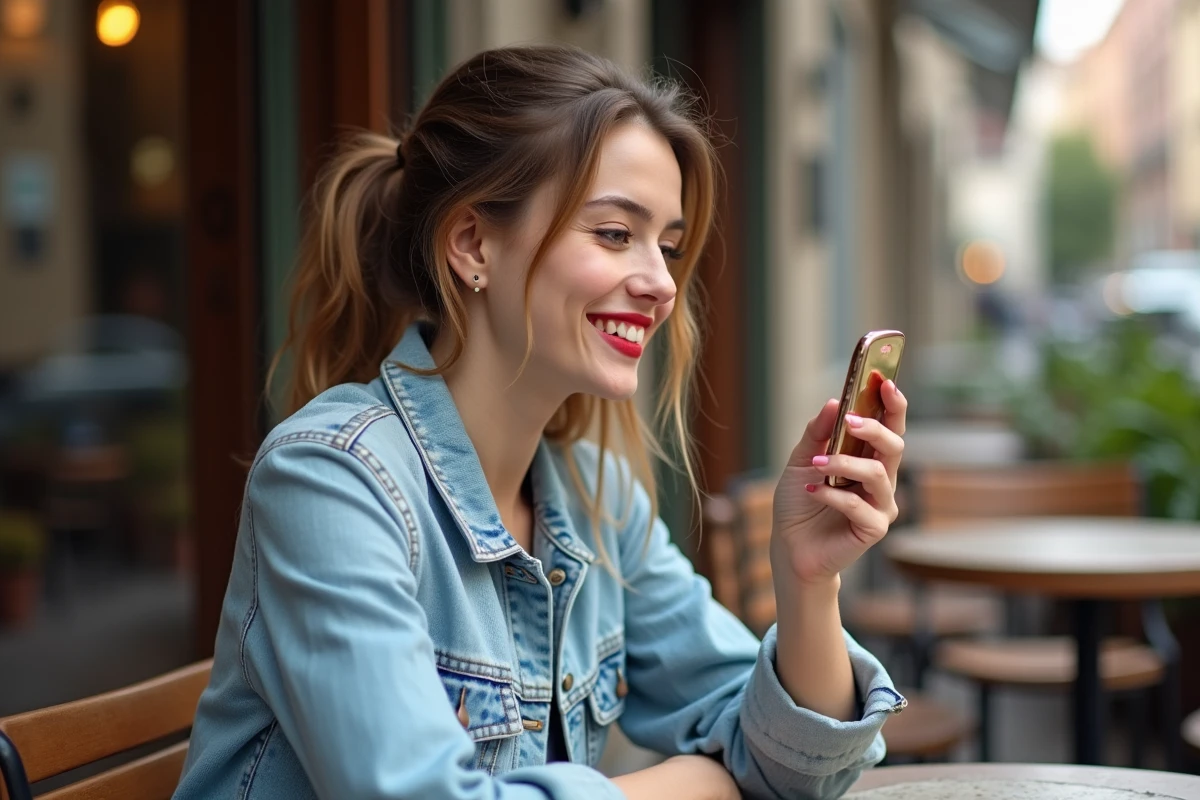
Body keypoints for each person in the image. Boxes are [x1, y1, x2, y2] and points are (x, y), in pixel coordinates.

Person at [173, 44, 908, 800]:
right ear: (473, 245)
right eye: (615, 233)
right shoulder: (330, 480)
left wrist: (808, 581)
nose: (660, 283)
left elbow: (791, 762)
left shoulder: (595, 496)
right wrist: (696, 785)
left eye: (670, 245)